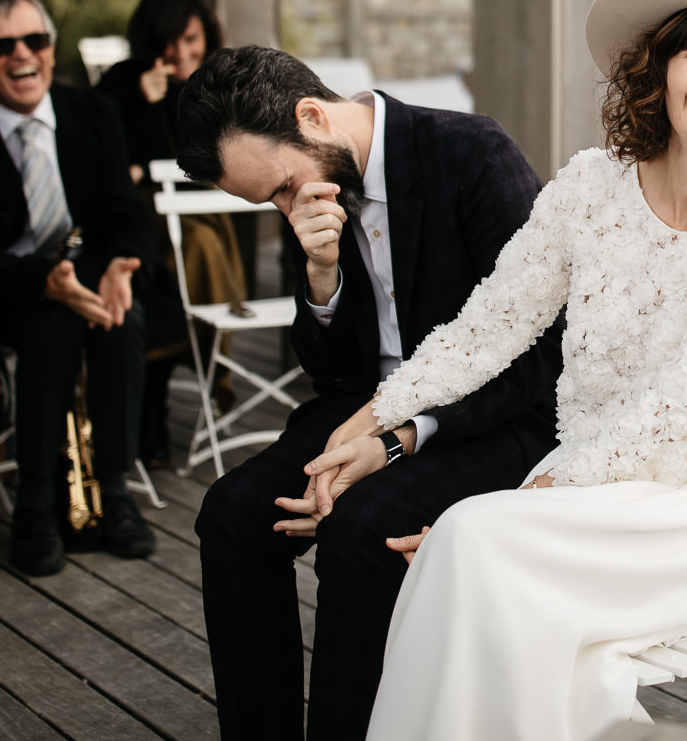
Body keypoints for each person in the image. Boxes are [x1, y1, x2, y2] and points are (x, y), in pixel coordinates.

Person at [308, 0, 687, 741]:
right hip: (577, 487)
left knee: (468, 540)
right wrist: (373, 420)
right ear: (658, 66)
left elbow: (674, 419)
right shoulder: (593, 186)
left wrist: (523, 511)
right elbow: (491, 322)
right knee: (473, 552)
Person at [174, 45, 567, 741]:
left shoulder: (469, 153)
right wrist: (321, 277)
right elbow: (330, 373)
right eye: (267, 199)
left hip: (489, 418)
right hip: (361, 407)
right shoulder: (309, 183)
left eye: (283, 188)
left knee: (361, 532)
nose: (284, 205)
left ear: (312, 115)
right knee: (232, 516)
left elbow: (535, 355)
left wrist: (394, 438)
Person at [0, 0, 161, 575]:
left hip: (91, 272)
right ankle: (35, 506)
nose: (22, 55)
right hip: (5, 286)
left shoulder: (92, 112)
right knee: (53, 325)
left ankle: (114, 493)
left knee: (123, 319)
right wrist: (43, 281)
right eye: (1, 45)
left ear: (51, 46)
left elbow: (127, 216)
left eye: (35, 40)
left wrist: (124, 268)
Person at [95, 0, 233, 463]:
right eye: (170, 42)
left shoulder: (217, 85)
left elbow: (213, 160)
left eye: (191, 40)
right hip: (140, 215)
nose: (180, 53)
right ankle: (159, 395)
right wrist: (141, 102)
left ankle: (173, 386)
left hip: (205, 210)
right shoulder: (121, 83)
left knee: (202, 246)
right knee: (190, 254)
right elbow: (111, 159)